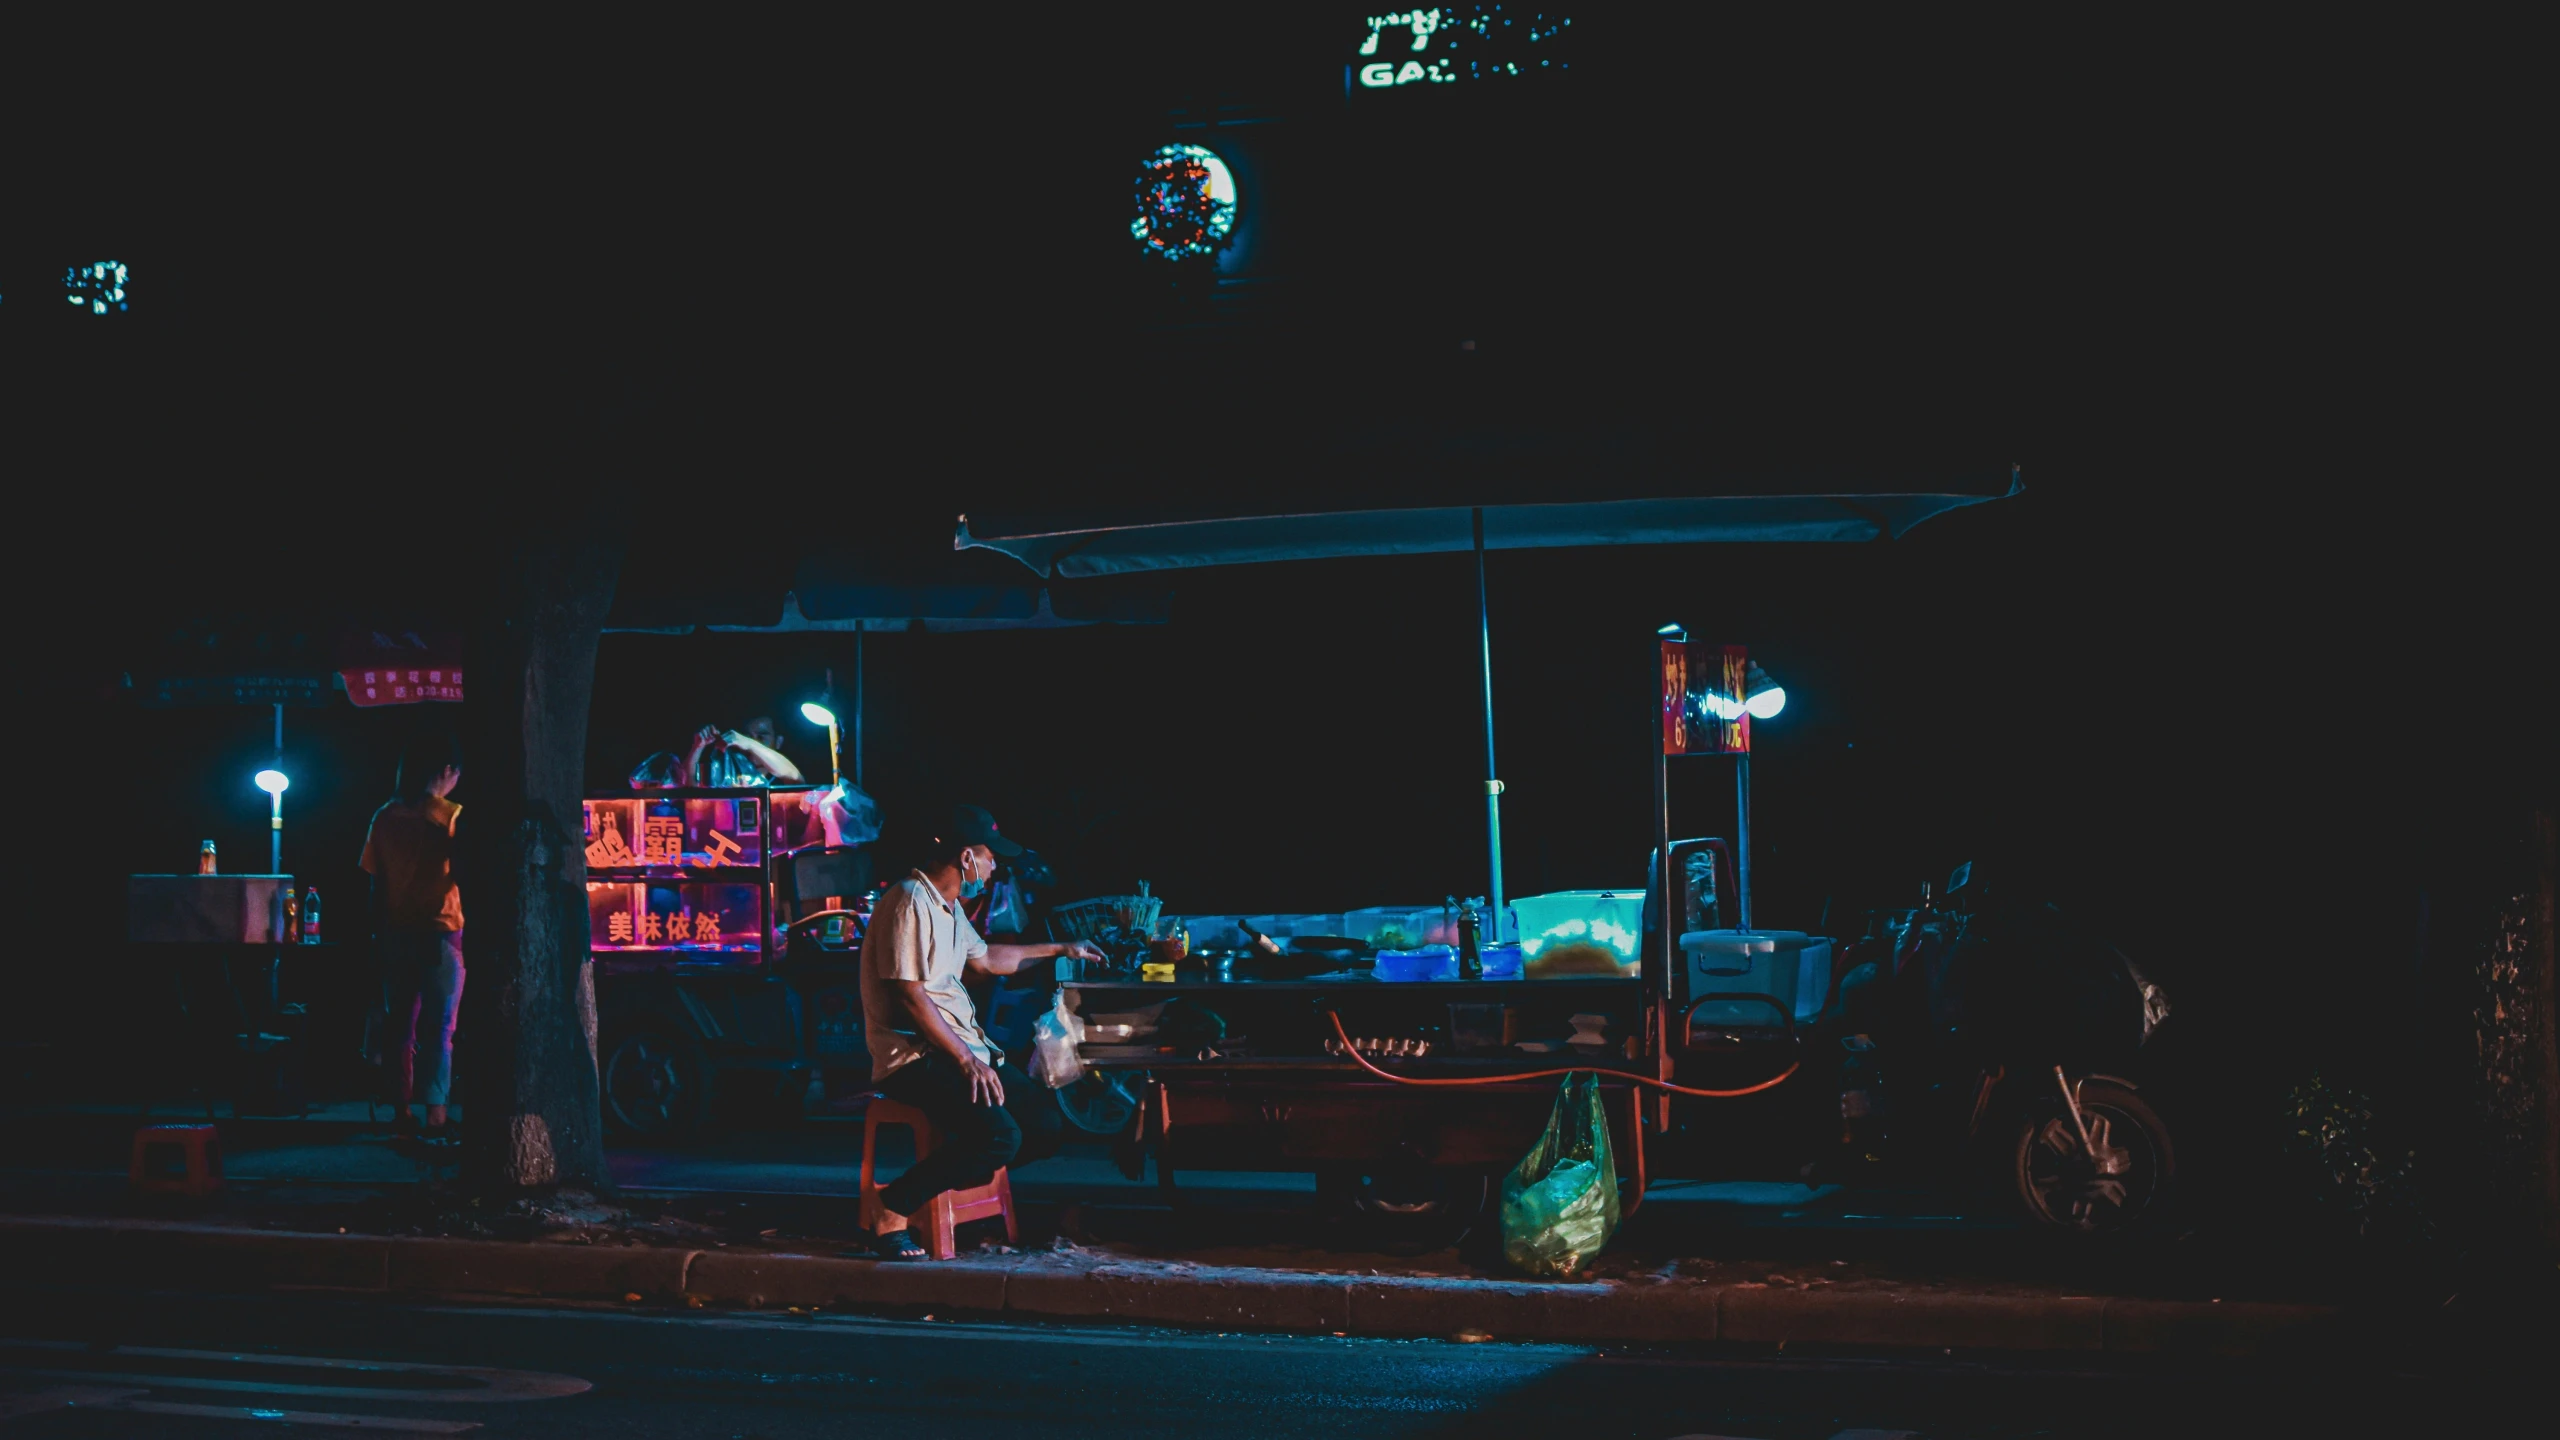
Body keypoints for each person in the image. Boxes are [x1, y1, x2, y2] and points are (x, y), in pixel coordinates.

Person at [859, 804, 1104, 1260]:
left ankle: (951, 1185)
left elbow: (988, 959)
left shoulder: (948, 906)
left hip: (959, 1049)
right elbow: (909, 996)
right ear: (966, 857)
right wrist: (965, 1059)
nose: (995, 869)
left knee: (1046, 1127)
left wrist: (1061, 948)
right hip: (914, 1057)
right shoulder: (910, 901)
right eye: (992, 857)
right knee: (1000, 1137)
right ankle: (891, 1209)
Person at [360, 741, 466, 1139]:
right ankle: (436, 1114)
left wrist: (376, 932)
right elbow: (464, 872)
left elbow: (374, 881)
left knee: (399, 1024)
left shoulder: (384, 817)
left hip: (394, 931)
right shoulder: (451, 816)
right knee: (440, 1028)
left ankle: (401, 1112)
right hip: (441, 931)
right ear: (445, 769)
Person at [684, 715, 805, 787]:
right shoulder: (730, 767)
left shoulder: (781, 775)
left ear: (778, 742)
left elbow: (795, 777)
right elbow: (689, 785)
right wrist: (697, 747)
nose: (754, 741)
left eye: (761, 737)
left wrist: (750, 743)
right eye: (748, 736)